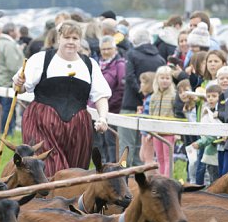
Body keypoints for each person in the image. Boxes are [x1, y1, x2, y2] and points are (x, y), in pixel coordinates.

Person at [15, 21, 111, 175]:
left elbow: (101, 96)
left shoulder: (89, 65)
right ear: (59, 38)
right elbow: (20, 88)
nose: (71, 42)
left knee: (75, 171)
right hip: (41, 123)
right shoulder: (41, 59)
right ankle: (46, 198)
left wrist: (103, 118)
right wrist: (18, 84)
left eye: (75, 38)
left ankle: (69, 199)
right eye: (67, 37)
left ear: (80, 41)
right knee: (50, 168)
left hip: (78, 127)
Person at [120, 28, 165, 166]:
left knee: (126, 146)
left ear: (134, 41)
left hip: (130, 105)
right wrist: (147, 97)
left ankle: (124, 177)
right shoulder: (160, 59)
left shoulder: (131, 54)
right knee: (143, 148)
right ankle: (139, 180)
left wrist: (141, 92)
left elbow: (129, 76)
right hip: (151, 107)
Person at [96, 35, 125, 164]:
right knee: (102, 144)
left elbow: (121, 88)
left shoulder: (120, 65)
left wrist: (109, 104)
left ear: (115, 49)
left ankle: (113, 169)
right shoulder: (98, 65)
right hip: (97, 111)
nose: (106, 52)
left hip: (113, 110)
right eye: (103, 49)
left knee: (112, 144)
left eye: (109, 48)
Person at [0, 22, 24, 134]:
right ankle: (7, 132)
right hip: (7, 82)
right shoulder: (9, 45)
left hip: (2, 80)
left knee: (1, 109)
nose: (17, 32)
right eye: (16, 30)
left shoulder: (2, 42)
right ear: (11, 32)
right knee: (7, 110)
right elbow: (13, 66)